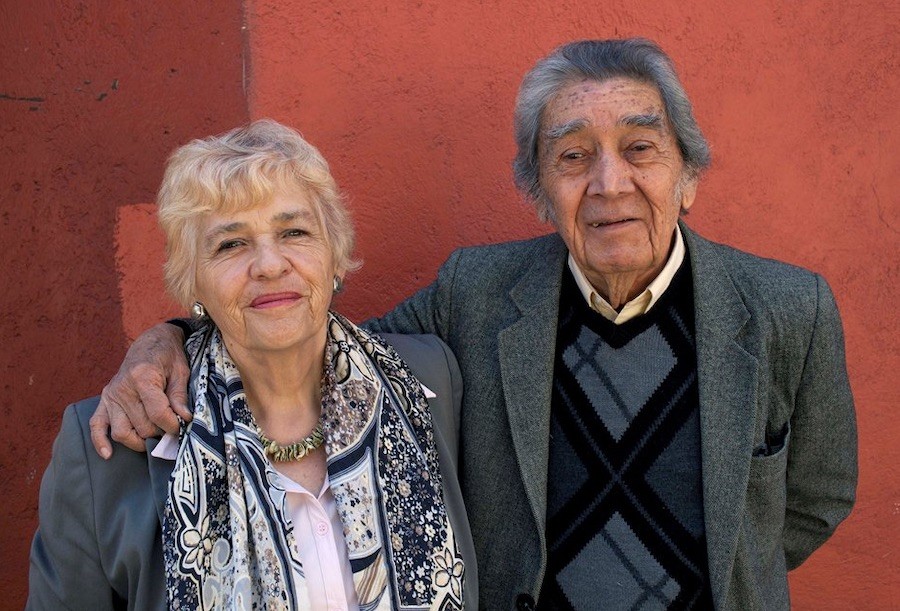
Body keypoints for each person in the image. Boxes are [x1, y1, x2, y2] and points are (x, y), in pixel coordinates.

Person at [89, 39, 857, 610]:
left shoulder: (789, 309)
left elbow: (817, 496)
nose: (609, 183)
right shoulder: (478, 293)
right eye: (573, 156)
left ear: (687, 173)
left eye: (640, 149)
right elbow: (312, 347)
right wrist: (174, 336)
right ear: (536, 189)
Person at [28, 120, 476, 610]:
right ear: (192, 281)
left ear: (337, 257)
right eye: (231, 244)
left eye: (294, 231)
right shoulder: (108, 451)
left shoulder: (430, 382)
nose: (268, 264)